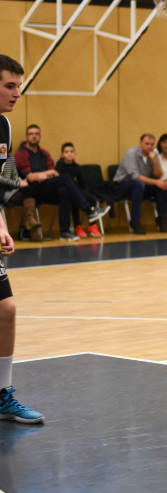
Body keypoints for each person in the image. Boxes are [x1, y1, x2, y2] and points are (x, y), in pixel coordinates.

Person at [0, 54, 44, 423]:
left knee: (7, 310)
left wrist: (2, 225)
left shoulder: (5, 127)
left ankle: (2, 395)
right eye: (9, 85)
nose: (17, 92)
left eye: (18, 84)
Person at [15, 124, 110, 241]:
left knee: (64, 191)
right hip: (32, 190)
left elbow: (54, 172)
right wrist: (45, 173)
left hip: (47, 186)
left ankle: (65, 232)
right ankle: (89, 210)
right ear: (26, 136)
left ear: (40, 136)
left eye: (36, 134)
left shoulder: (45, 153)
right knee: (65, 178)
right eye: (31, 134)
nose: (34, 136)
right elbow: (30, 177)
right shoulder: (21, 154)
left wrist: (43, 174)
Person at [113, 134, 167, 234]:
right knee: (139, 184)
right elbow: (135, 177)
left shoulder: (154, 154)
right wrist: (156, 182)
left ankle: (162, 219)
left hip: (142, 186)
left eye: (152, 144)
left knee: (162, 187)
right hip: (122, 185)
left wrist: (155, 161)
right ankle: (135, 221)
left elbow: (159, 175)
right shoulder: (131, 153)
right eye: (147, 144)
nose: (150, 146)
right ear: (140, 144)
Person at [56, 142, 102, 238]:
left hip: (77, 190)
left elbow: (83, 182)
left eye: (71, 151)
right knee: (74, 200)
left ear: (74, 154)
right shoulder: (59, 165)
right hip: (64, 193)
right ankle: (78, 226)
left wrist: (85, 192)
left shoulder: (76, 167)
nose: (69, 154)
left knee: (91, 198)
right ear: (62, 154)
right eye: (66, 152)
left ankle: (93, 226)